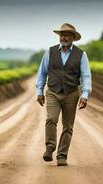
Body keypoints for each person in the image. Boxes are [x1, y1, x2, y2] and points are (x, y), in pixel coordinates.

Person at [36, 22, 92, 166]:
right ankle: (50, 147)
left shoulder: (81, 55)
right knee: (51, 119)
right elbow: (42, 73)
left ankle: (62, 156)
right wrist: (39, 91)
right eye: (62, 35)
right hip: (53, 92)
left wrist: (85, 95)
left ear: (73, 37)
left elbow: (86, 76)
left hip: (71, 93)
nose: (64, 37)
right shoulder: (50, 52)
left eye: (67, 35)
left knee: (68, 126)